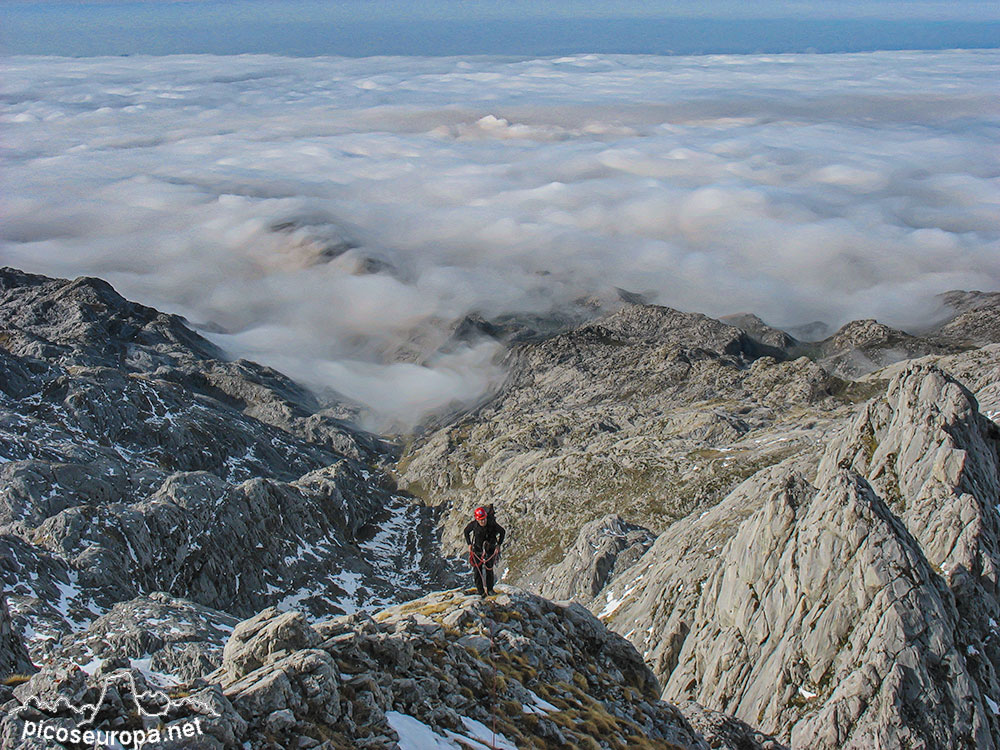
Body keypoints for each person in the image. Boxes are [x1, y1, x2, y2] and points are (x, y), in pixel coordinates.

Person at [464, 505, 505, 598]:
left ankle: (490, 590)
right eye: (481, 520)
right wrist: (469, 544)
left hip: (490, 549)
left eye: (484, 519)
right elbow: (466, 531)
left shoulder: (492, 523)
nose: (483, 521)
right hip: (477, 550)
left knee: (489, 569)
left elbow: (502, 532)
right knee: (477, 571)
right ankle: (480, 591)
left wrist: (499, 544)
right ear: (477, 520)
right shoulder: (474, 525)